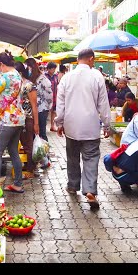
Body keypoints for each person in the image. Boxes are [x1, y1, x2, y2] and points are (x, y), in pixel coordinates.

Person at [55, 48, 111, 209]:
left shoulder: (66, 77)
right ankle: (90, 191)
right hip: (91, 127)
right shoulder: (97, 76)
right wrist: (107, 125)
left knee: (72, 157)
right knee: (91, 158)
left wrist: (59, 123)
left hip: (71, 126)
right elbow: (103, 104)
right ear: (91, 59)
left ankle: (73, 185)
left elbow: (61, 104)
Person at [0, 51, 25, 193]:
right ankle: (18, 184)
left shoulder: (5, 77)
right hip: (19, 119)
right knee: (13, 151)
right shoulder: (18, 76)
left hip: (8, 119)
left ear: (2, 64)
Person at [15, 62, 40, 179]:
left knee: (28, 145)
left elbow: (34, 106)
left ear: (19, 72)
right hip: (16, 119)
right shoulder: (15, 84)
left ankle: (31, 169)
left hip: (27, 119)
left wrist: (36, 124)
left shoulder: (29, 85)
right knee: (22, 145)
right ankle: (26, 166)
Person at [25, 58, 52, 143]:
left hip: (41, 110)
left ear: (31, 67)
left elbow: (49, 94)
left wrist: (48, 106)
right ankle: (36, 153)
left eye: (27, 67)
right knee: (34, 133)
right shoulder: (31, 78)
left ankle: (44, 153)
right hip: (33, 110)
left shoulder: (42, 78)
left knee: (41, 133)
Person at [44, 62, 59, 132]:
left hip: (54, 96)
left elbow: (57, 85)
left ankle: (52, 126)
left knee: (53, 111)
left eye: (54, 69)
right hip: (46, 97)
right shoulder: (44, 76)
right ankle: (44, 126)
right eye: (53, 69)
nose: (54, 70)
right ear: (48, 69)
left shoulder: (56, 76)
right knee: (46, 112)